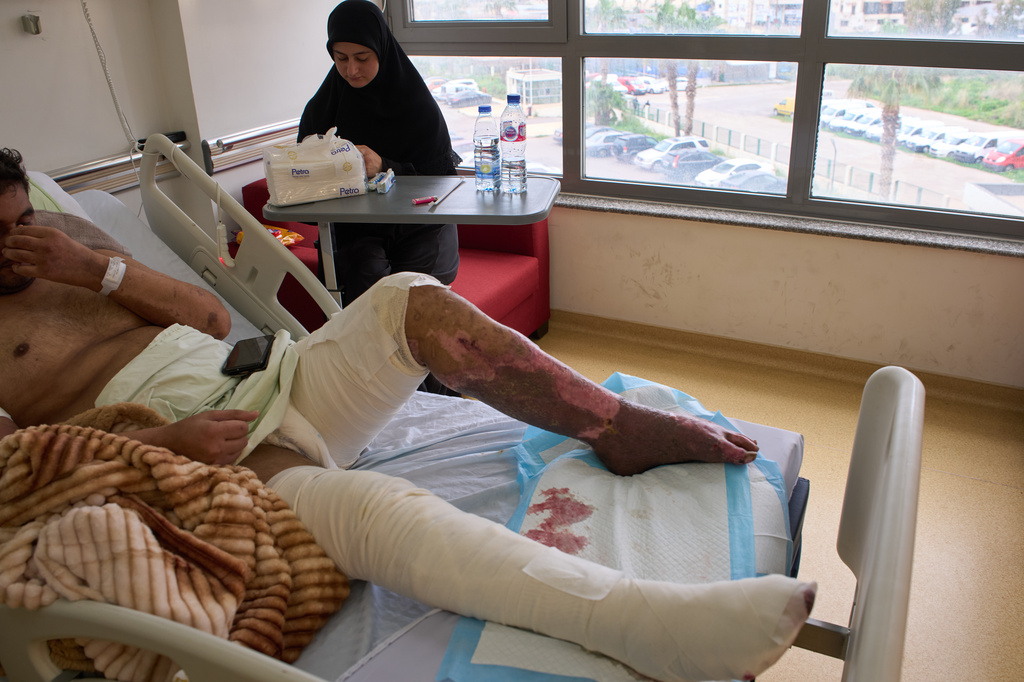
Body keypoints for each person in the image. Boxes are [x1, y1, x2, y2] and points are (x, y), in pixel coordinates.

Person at [0, 148, 814, 682]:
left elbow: (210, 320)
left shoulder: (69, 238)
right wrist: (161, 442)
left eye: (22, 220)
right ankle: (641, 625)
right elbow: (21, 473)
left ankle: (616, 427)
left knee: (407, 298)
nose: (18, 243)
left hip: (266, 377)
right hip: (196, 452)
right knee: (360, 507)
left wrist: (95, 268)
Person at [298, 0, 460, 307]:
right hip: (354, 227)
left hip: (421, 223)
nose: (351, 70)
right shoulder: (323, 109)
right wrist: (331, 167)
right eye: (340, 58)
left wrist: (386, 166)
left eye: (362, 57)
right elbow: (303, 190)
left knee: (413, 292)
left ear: (382, 51)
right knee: (364, 282)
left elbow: (442, 183)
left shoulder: (417, 107)